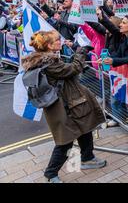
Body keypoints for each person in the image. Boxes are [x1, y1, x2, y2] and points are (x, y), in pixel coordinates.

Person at [22, 30, 106, 183]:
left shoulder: (46, 59)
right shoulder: (48, 63)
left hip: (69, 102)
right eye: (56, 40)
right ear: (49, 45)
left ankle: (87, 158)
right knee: (65, 140)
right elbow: (73, 69)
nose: (60, 42)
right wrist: (81, 52)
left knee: (85, 127)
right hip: (60, 106)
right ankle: (51, 173)